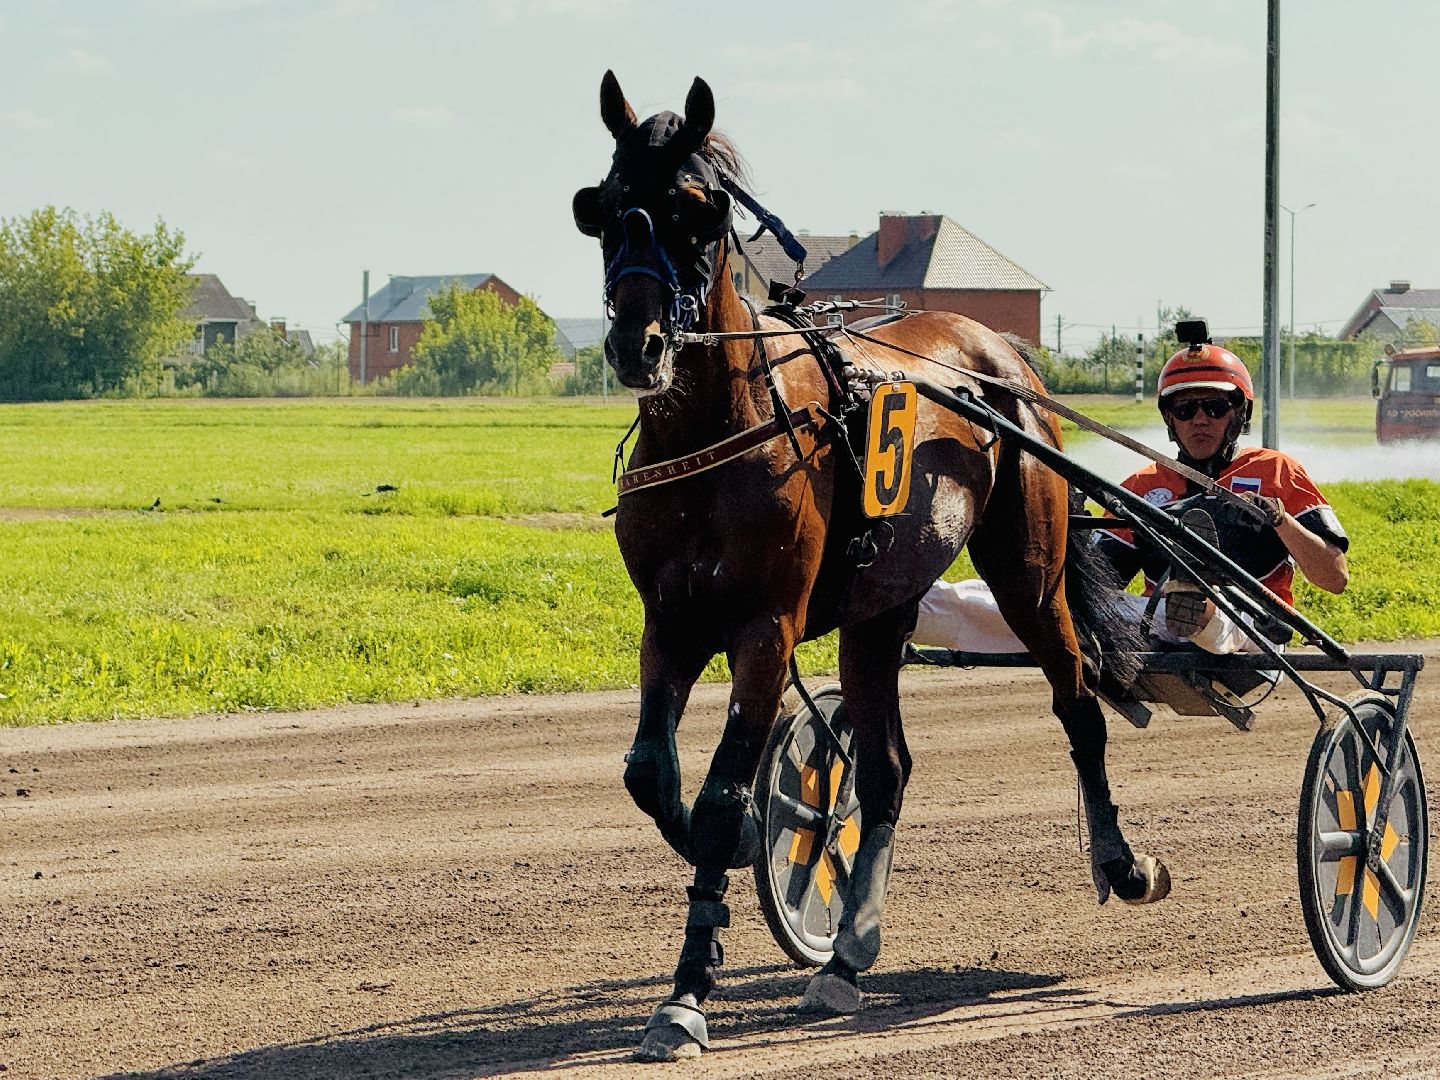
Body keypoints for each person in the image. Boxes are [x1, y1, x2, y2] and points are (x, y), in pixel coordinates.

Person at [913, 328, 1350, 655]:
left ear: (1239, 414)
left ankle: (1198, 607)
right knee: (1040, 604)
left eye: (1214, 407)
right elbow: (1100, 582)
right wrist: (1074, 526)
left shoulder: (1276, 471)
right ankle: (912, 609)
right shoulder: (1143, 487)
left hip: (1255, 626)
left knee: (1217, 607)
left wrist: (1280, 520)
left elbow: (1335, 577)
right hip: (1153, 621)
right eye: (1185, 408)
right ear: (1170, 419)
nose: (1200, 419)